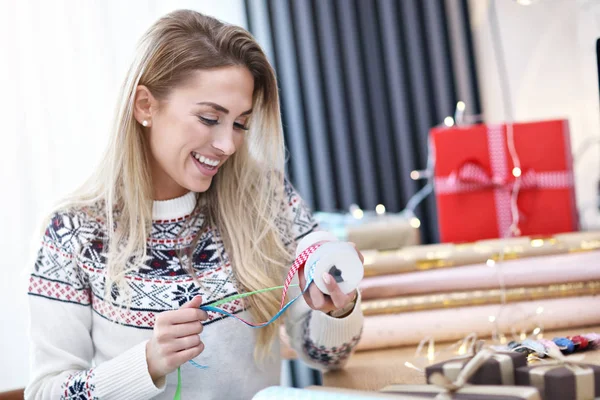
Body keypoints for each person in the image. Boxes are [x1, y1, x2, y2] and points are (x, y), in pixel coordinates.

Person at [25, 9, 364, 400]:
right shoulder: (71, 232)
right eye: (208, 118)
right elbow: (44, 393)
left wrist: (338, 309)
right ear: (144, 106)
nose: (227, 145)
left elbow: (328, 356)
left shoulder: (265, 197)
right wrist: (147, 363)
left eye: (240, 124)